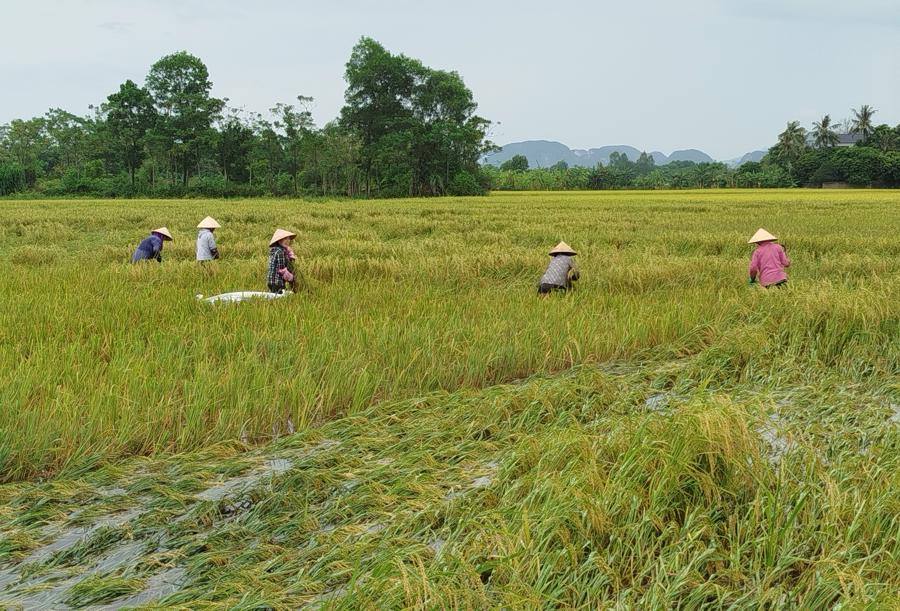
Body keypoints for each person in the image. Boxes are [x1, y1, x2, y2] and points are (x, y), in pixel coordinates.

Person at [267, 228, 298, 293]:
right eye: (285, 239)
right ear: (279, 241)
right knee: (278, 299)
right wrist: (292, 278)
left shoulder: (275, 250)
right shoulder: (280, 253)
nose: (287, 241)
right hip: (277, 282)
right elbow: (282, 270)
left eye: (288, 238)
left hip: (271, 281)